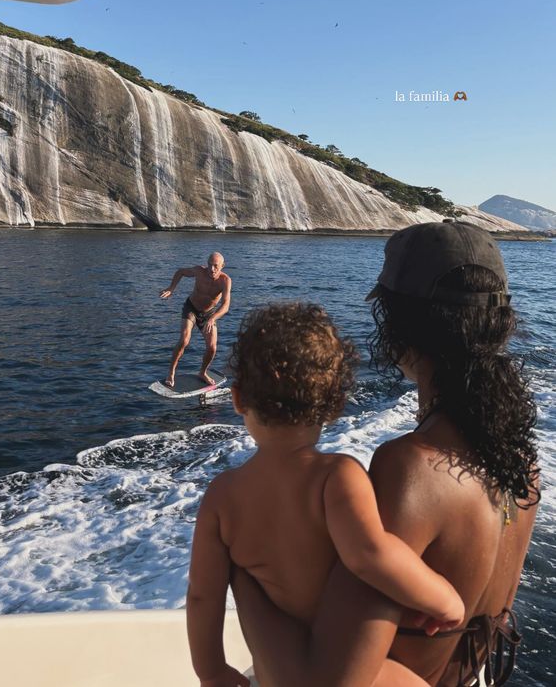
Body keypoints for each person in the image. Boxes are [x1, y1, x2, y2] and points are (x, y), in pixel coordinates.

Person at [231, 222, 540, 687]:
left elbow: (323, 681)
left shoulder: (411, 465)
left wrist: (240, 571)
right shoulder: (522, 460)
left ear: (398, 323)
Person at [187, 302, 465, 687]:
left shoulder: (221, 497)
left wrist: (212, 671)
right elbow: (372, 556)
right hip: (347, 670)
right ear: (333, 407)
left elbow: (203, 596)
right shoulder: (336, 476)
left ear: (237, 399)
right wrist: (442, 600)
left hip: (276, 674)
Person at [159, 252, 231, 387]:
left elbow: (226, 305)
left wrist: (213, 318)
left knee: (212, 347)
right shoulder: (199, 271)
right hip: (191, 308)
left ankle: (202, 372)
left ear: (223, 266)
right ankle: (171, 372)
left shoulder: (225, 281)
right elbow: (180, 272)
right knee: (184, 340)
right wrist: (171, 288)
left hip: (209, 314)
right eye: (210, 264)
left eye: (216, 266)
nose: (212, 269)